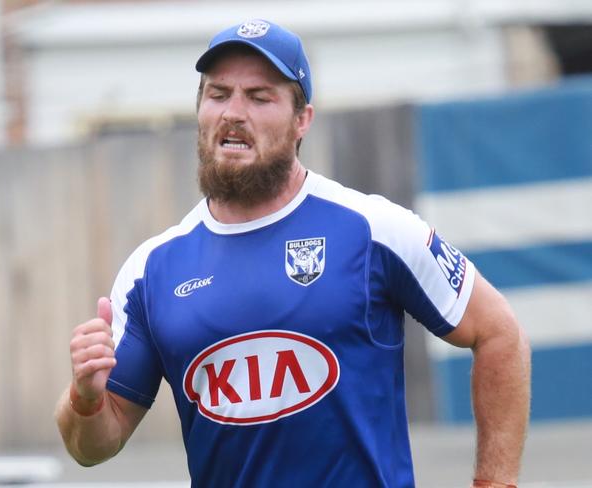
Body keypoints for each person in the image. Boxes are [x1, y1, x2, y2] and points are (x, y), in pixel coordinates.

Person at [55, 19, 531, 488]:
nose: (233, 112)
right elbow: (92, 446)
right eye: (218, 94)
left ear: (302, 119)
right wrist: (85, 399)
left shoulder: (373, 230)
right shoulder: (151, 270)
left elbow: (499, 333)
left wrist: (495, 482)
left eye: (259, 97)